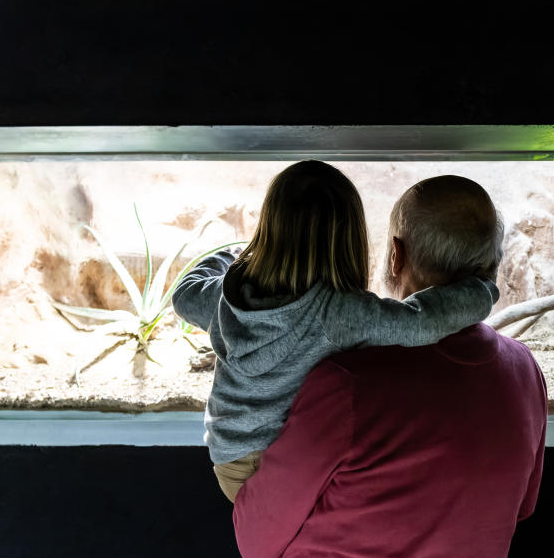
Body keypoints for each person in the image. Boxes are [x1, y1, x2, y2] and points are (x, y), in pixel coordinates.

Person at [233, 175, 548, 558]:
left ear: (396, 255)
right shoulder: (525, 372)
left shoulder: (345, 384)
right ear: (494, 264)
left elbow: (255, 542)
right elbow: (520, 508)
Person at [171, 161, 499, 502]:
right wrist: (482, 289)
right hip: (284, 466)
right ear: (348, 240)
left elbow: (184, 294)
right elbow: (420, 322)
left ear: (268, 229)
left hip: (229, 462)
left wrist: (233, 254)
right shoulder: (335, 312)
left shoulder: (225, 298)